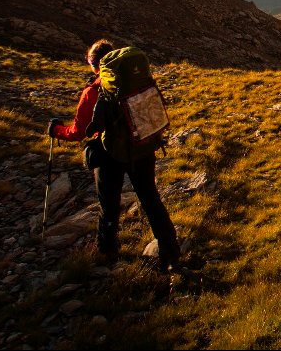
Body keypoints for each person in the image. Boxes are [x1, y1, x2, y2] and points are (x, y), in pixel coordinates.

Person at [47, 39, 181, 273]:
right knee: (150, 199)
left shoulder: (93, 91)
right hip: (142, 146)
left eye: (90, 63)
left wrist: (57, 130)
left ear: (95, 64)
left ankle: (107, 252)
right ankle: (171, 251)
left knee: (109, 205)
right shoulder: (135, 82)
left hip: (110, 155)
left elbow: (79, 132)